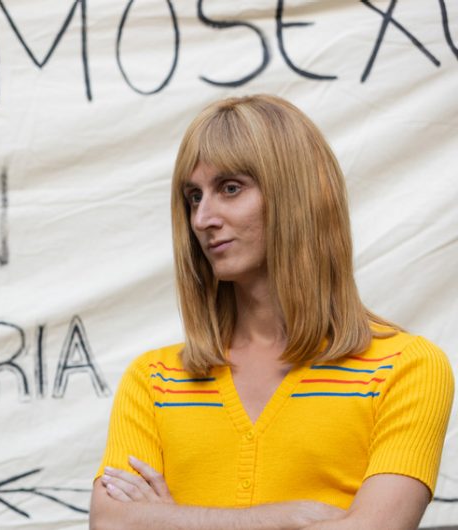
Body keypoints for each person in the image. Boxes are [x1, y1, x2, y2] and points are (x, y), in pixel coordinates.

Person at [89, 94, 454, 529]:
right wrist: (286, 518)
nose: (203, 218)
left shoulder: (406, 368)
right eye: (192, 196)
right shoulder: (154, 380)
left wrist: (169, 519)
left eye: (230, 188)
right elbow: (111, 523)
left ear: (298, 195)